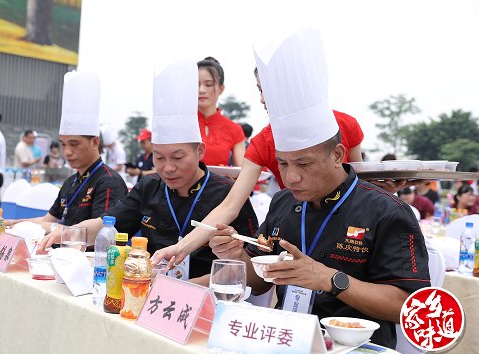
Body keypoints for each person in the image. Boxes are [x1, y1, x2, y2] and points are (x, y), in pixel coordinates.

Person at [208, 28, 430, 349]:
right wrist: (236, 256)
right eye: (283, 164)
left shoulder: (387, 212)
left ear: (338, 155)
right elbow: (258, 281)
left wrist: (329, 279)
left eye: (304, 164)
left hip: (356, 351)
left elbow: (409, 307)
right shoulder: (283, 202)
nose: (291, 177)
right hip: (284, 344)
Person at [39, 61, 258, 285]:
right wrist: (69, 233)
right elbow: (108, 224)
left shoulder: (226, 194)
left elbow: (254, 278)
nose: (168, 168)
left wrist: (174, 287)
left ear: (200, 151)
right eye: (159, 157)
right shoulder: (150, 186)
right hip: (148, 292)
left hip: (203, 297)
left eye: (178, 157)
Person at [151, 57, 364, 267]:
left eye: (268, 90)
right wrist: (181, 248)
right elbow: (230, 205)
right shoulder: (264, 141)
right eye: (260, 90)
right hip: (298, 226)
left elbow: (360, 183)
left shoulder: (346, 125)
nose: (262, 99)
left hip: (350, 228)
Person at [6, 71, 127, 233]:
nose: (67, 152)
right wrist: (14, 223)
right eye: (63, 144)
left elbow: (102, 233)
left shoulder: (109, 182)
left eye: (74, 144)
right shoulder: (71, 182)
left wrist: (54, 228)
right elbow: (47, 220)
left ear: (95, 142)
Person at [197, 57, 246, 166]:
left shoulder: (234, 129)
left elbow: (243, 171)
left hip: (220, 182)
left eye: (208, 84)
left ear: (221, 88)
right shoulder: (181, 124)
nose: (201, 90)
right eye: (196, 84)